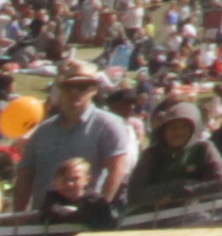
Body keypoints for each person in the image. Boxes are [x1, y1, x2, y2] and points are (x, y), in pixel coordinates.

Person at [10, 65, 137, 220]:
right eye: (69, 87)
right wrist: (18, 216)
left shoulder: (108, 125)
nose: (74, 92)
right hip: (43, 222)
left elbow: (116, 171)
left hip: (84, 222)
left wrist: (101, 212)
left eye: (82, 87)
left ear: (94, 89)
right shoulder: (43, 130)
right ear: (61, 90)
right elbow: (25, 175)